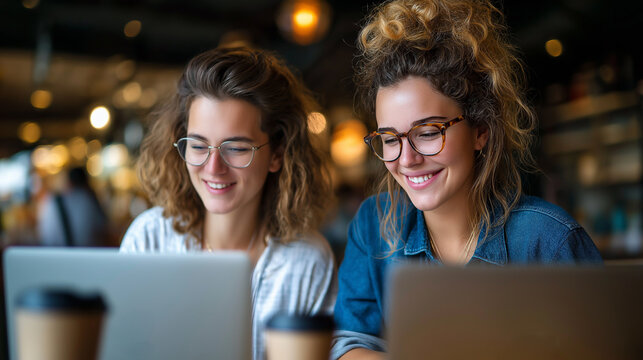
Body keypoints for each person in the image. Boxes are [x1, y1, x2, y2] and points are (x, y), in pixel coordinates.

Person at [332, 0, 602, 359]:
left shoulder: (548, 243)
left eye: (427, 132)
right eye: (390, 138)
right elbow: (348, 343)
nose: (407, 159)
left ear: (481, 131)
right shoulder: (372, 226)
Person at [119, 46, 337, 360]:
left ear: (276, 153)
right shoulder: (150, 239)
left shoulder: (306, 262)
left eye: (235, 148)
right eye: (198, 145)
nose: (213, 167)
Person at [38, 166, 109, 247]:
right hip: (86, 255)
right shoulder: (90, 201)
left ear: (68, 182)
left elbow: (45, 236)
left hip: (56, 255)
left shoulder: (51, 202)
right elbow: (103, 230)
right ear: (87, 183)